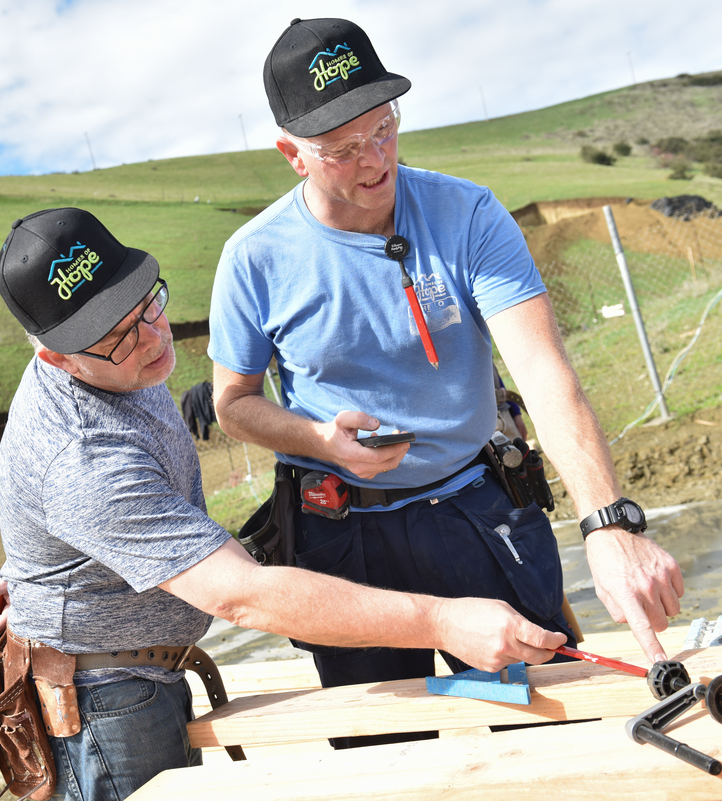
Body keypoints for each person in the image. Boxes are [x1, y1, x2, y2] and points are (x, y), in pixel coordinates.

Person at [0, 207, 568, 800]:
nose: (153, 338)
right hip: (106, 703)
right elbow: (240, 594)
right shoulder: (82, 457)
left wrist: (44, 571)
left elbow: (83, 509)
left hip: (131, 675)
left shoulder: (114, 367)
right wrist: (442, 621)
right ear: (55, 356)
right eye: (119, 337)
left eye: (148, 306)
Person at [207, 17, 684, 728]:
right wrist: (317, 439)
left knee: (539, 719)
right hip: (342, 536)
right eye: (343, 149)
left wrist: (608, 524)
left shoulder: (468, 215)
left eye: (384, 129)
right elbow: (233, 403)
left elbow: (545, 374)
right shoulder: (254, 258)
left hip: (476, 510)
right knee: (385, 742)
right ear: (292, 154)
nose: (375, 161)